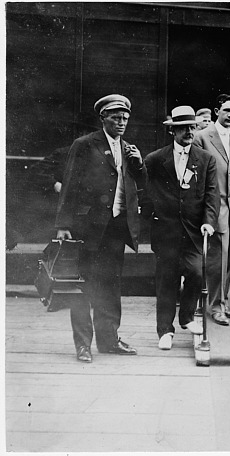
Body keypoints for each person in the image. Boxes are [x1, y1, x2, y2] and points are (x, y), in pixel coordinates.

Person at [55, 94, 146, 362]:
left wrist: (138, 162)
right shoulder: (84, 145)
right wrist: (63, 224)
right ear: (102, 118)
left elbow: (139, 183)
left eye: (125, 118)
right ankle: (83, 344)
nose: (121, 122)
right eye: (116, 117)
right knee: (82, 285)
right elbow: (69, 184)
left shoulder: (128, 148)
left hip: (116, 229)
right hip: (88, 228)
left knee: (110, 284)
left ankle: (109, 340)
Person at [142, 106, 218, 350]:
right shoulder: (155, 159)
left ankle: (186, 318)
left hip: (195, 232)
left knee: (196, 273)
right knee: (167, 281)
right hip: (165, 232)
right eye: (183, 127)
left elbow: (211, 195)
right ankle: (165, 330)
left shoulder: (206, 160)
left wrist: (208, 221)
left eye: (192, 127)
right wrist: (154, 215)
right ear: (172, 131)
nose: (189, 131)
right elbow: (145, 190)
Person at [193, 93, 230, 326]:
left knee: (229, 261)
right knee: (217, 259)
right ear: (217, 111)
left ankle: (223, 301)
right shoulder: (202, 137)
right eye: (226, 110)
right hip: (213, 208)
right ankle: (215, 306)